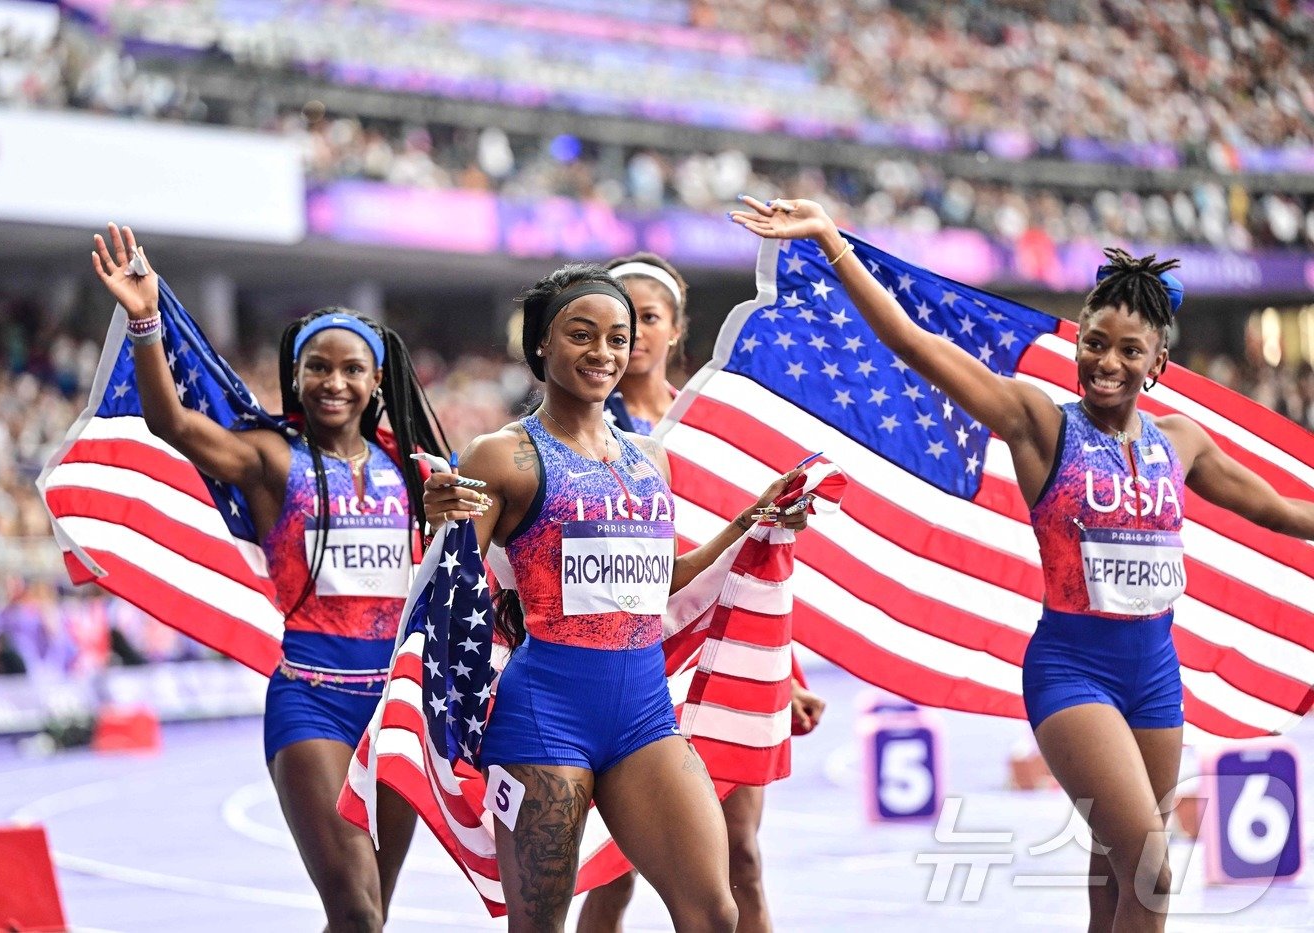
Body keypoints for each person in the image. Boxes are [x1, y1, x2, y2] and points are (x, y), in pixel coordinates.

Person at [729, 195, 1314, 930]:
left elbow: (1284, 513)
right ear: (1079, 344)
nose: (1107, 361)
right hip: (1074, 672)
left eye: (1129, 351)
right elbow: (915, 345)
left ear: (1158, 362)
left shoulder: (1181, 442)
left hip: (1156, 677)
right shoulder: (1038, 422)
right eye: (1096, 342)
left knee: (1117, 868)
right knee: (1154, 865)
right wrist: (831, 242)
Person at [419, 262, 809, 932]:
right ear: (542, 342)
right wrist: (435, 513)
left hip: (643, 716)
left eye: (617, 337)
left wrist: (748, 523)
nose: (602, 351)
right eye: (581, 334)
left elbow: (655, 585)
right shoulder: (501, 455)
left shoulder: (650, 458)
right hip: (544, 716)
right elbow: (451, 580)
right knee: (539, 923)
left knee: (714, 910)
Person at [91, 223, 445, 932]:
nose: (334, 382)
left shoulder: (415, 472)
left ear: (378, 379)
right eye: (318, 367)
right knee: (356, 906)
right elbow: (174, 424)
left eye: (351, 369)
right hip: (311, 702)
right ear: (297, 376)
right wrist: (144, 318)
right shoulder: (270, 460)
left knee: (370, 910)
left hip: (400, 710)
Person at [576, 253, 826, 933]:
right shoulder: (577, 430)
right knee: (615, 868)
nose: (629, 334)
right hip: (629, 666)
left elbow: (755, 552)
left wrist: (789, 672)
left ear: (676, 330)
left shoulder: (717, 430)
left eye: (646, 318)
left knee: (740, 854)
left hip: (723, 659)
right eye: (617, 318)